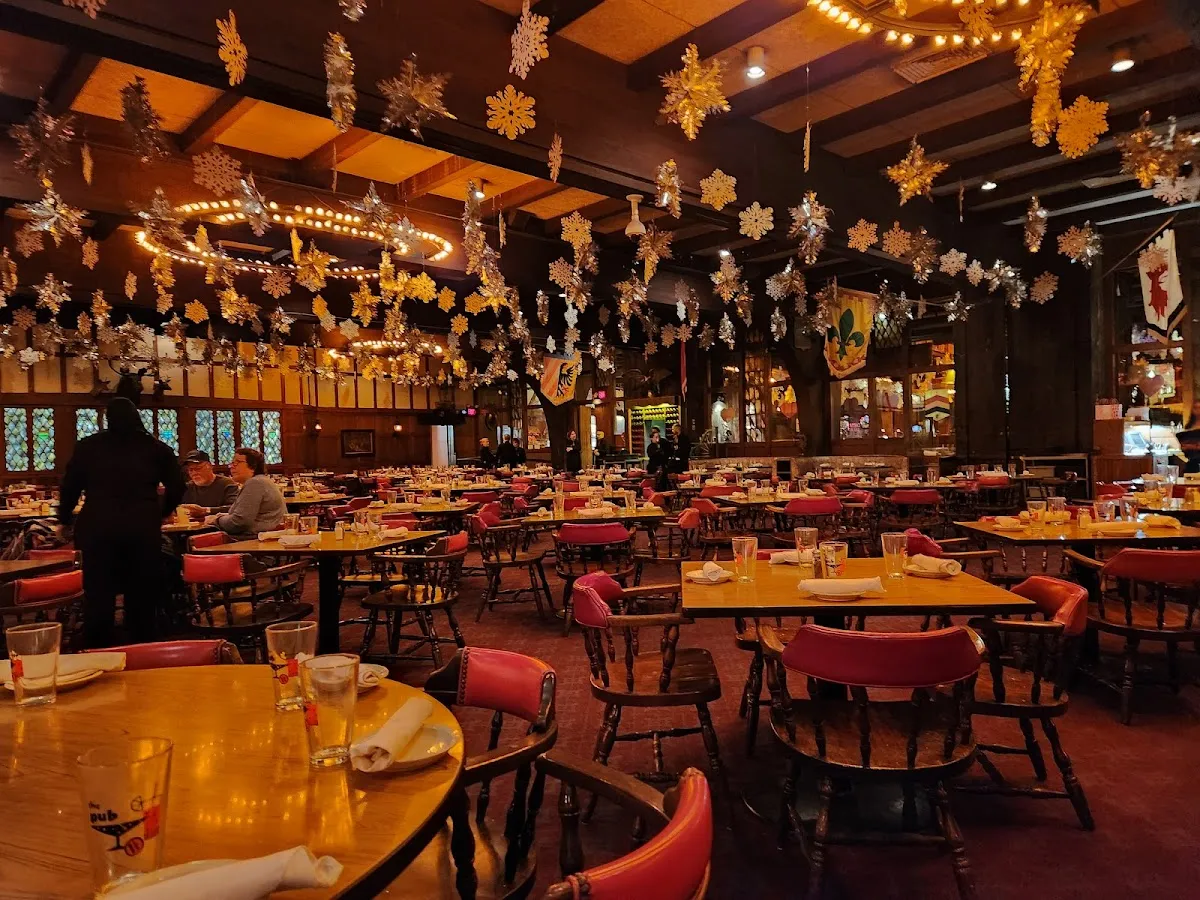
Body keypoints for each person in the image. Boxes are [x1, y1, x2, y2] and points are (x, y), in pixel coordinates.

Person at [59, 397, 186, 647]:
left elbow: (70, 486)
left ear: (108, 418)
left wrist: (64, 519)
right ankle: (141, 647)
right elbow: (178, 486)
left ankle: (98, 648)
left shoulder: (88, 446)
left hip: (97, 526)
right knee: (142, 591)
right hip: (141, 527)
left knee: (98, 592)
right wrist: (162, 512)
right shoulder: (156, 448)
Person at [206, 447, 286, 538]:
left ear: (253, 467)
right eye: (232, 463)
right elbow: (245, 515)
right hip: (259, 537)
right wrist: (223, 516)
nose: (232, 466)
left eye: (237, 462)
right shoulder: (261, 481)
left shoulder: (255, 483)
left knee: (199, 542)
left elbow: (239, 522)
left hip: (253, 540)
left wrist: (217, 520)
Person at [179, 449, 238, 518]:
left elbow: (234, 508)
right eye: (190, 470)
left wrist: (207, 510)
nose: (194, 473)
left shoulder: (227, 484)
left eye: (198, 468)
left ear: (209, 466)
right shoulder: (187, 487)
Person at [1177, 400, 1200, 473]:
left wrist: (1191, 446)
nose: (1198, 410)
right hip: (1192, 465)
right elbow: (1185, 450)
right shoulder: (1189, 427)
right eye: (1195, 408)